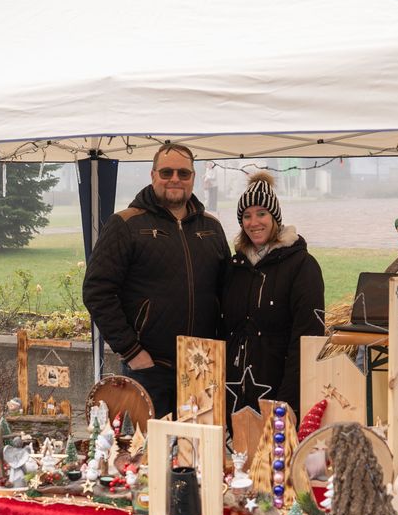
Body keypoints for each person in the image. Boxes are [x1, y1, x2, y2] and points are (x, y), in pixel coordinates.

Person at [83, 144, 229, 418]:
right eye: (167, 172)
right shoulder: (126, 224)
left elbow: (228, 291)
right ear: (153, 175)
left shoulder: (211, 228)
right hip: (150, 367)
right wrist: (131, 350)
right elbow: (97, 290)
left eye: (183, 173)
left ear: (193, 178)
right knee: (150, 453)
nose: (175, 178)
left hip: (201, 364)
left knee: (198, 453)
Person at [221, 171, 324, 420]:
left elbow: (307, 338)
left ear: (275, 217)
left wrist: (287, 399)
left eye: (261, 213)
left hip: (279, 389)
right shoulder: (234, 267)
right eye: (246, 216)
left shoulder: (302, 266)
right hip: (235, 393)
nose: (253, 222)